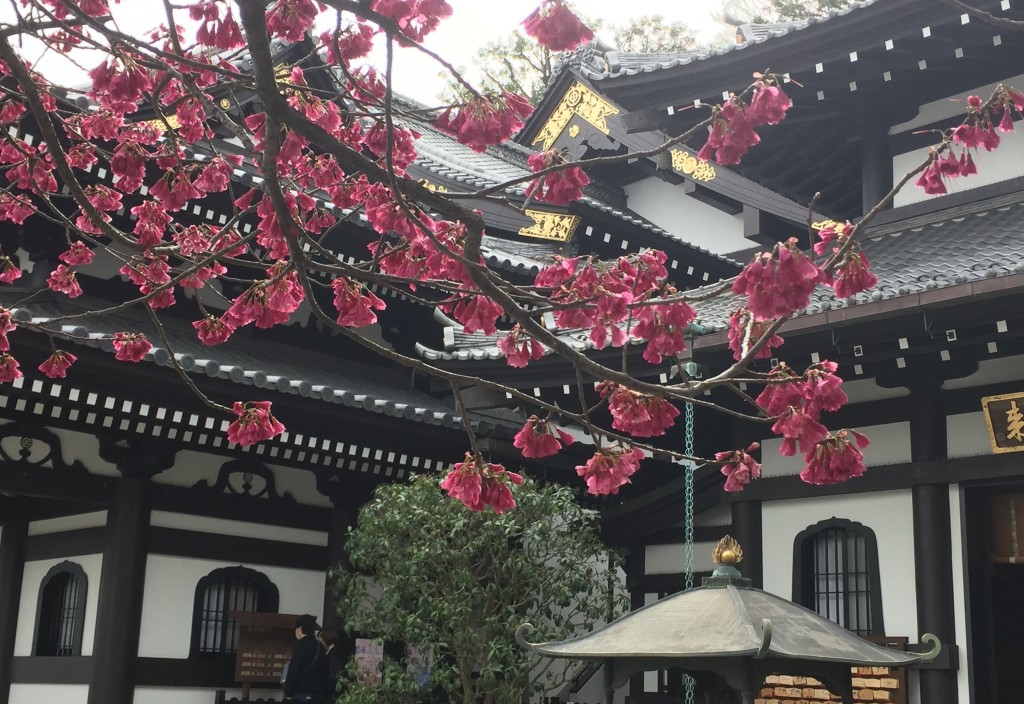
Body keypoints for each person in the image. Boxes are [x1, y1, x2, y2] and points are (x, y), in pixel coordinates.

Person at [283, 614, 328, 703]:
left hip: (301, 694)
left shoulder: (300, 647)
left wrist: (288, 691)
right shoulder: (320, 646)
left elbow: (294, 671)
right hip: (318, 695)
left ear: (300, 629)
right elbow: (325, 670)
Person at [317, 627, 345, 701]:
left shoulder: (334, 655)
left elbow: (335, 675)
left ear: (326, 639)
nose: (319, 643)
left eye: (320, 640)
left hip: (330, 693)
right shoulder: (329, 653)